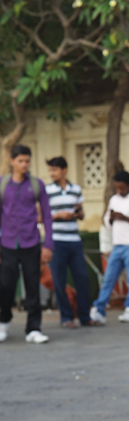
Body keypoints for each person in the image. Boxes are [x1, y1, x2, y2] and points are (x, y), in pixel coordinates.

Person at [0, 144, 53, 343]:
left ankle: (34, 328)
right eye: (20, 161)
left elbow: (47, 216)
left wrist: (48, 245)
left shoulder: (37, 184)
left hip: (31, 242)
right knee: (6, 286)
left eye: (27, 161)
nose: (24, 164)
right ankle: (4, 321)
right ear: (12, 161)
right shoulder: (3, 184)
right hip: (7, 243)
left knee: (32, 286)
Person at [90, 170, 129, 324]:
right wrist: (111, 218)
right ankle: (99, 309)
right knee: (108, 278)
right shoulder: (114, 200)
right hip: (117, 245)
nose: (119, 191)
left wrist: (127, 218)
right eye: (117, 188)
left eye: (121, 188)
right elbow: (107, 222)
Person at [45, 156, 97, 328]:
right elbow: (40, 216)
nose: (51, 173)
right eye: (50, 170)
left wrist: (77, 214)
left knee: (82, 278)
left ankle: (84, 316)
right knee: (59, 280)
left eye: (54, 170)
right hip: (56, 241)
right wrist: (59, 215)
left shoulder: (76, 189)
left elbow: (82, 213)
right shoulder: (47, 191)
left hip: (74, 240)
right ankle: (66, 317)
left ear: (64, 170)